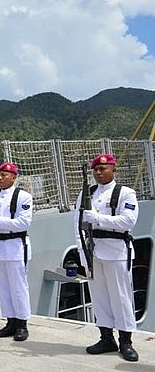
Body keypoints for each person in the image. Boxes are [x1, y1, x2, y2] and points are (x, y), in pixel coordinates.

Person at [74, 154, 139, 362]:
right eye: (96, 169)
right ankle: (106, 337)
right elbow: (77, 225)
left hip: (116, 250)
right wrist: (83, 255)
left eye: (103, 168)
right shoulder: (87, 193)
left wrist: (98, 219)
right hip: (93, 250)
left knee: (120, 297)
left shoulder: (125, 193)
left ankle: (126, 341)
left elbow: (127, 221)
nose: (99, 172)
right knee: (99, 296)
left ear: (113, 169)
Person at [0, 162, 33, 341]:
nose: (0, 178)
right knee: (3, 287)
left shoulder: (23, 197)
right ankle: (10, 321)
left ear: (13, 177)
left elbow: (23, 223)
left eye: (5, 174)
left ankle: (22, 323)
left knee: (18, 287)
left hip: (15, 246)